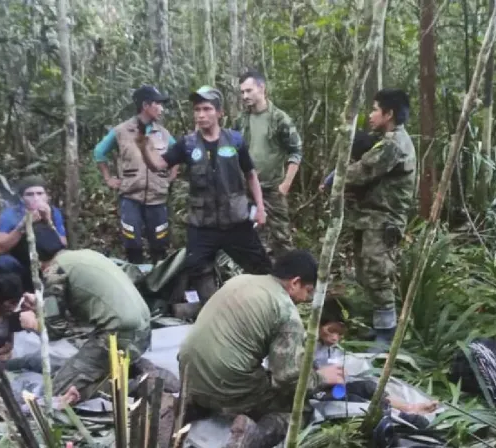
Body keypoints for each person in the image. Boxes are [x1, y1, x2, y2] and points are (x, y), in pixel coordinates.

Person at [177, 250, 345, 448]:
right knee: (299, 410)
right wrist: (321, 377)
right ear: (295, 282)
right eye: (308, 291)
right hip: (226, 383)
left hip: (188, 371)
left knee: (243, 374)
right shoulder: (286, 313)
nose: (306, 298)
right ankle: (252, 438)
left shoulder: (241, 280)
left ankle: (192, 406)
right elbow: (287, 378)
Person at [136, 86, 272, 311]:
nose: (201, 114)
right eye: (197, 109)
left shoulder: (235, 140)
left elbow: (250, 174)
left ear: (219, 113)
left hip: (236, 221)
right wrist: (144, 148)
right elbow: (159, 165)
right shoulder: (187, 144)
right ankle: (214, 311)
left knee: (261, 267)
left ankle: (267, 308)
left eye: (207, 109)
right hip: (202, 224)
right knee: (197, 267)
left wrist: (260, 208)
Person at [17, 225, 155, 402]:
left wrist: (33, 323)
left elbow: (54, 331)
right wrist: (41, 304)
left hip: (118, 337)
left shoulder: (55, 272)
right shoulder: (83, 255)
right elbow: (85, 304)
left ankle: (134, 386)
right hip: (143, 331)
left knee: (57, 393)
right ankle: (127, 370)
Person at [341, 89, 416, 349]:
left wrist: (334, 178)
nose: (370, 115)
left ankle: (388, 334)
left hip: (384, 220)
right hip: (370, 217)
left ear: (389, 114)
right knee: (365, 272)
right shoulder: (384, 139)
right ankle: (379, 326)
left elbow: (361, 172)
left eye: (375, 109)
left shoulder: (394, 144)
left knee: (378, 273)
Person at [94, 85, 179, 265]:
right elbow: (99, 152)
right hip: (131, 197)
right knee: (132, 242)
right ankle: (135, 279)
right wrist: (108, 178)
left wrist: (171, 176)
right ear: (145, 105)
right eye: (158, 104)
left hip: (157, 198)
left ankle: (159, 282)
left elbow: (177, 153)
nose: (161, 109)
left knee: (160, 243)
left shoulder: (163, 133)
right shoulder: (121, 131)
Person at [313, 299, 439, 420]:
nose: (335, 338)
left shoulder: (329, 348)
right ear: (318, 323)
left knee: (368, 387)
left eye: (340, 334)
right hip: (313, 392)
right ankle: (397, 415)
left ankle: (407, 408)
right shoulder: (305, 345)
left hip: (330, 387)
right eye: (331, 331)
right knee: (353, 399)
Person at [234, 70, 303, 257]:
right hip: (247, 189)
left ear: (261, 88)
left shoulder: (279, 119)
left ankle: (289, 280)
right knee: (250, 237)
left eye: (248, 91)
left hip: (273, 189)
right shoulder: (241, 120)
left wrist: (285, 185)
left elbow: (296, 151)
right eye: (242, 92)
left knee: (281, 238)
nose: (245, 96)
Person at [0, 175, 67, 291]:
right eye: (30, 194)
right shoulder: (11, 214)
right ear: (22, 198)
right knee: (3, 263)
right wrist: (22, 226)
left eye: (39, 193)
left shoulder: (54, 212)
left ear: (47, 197)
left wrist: (48, 221)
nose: (35, 198)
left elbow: (63, 244)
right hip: (22, 264)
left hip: (49, 265)